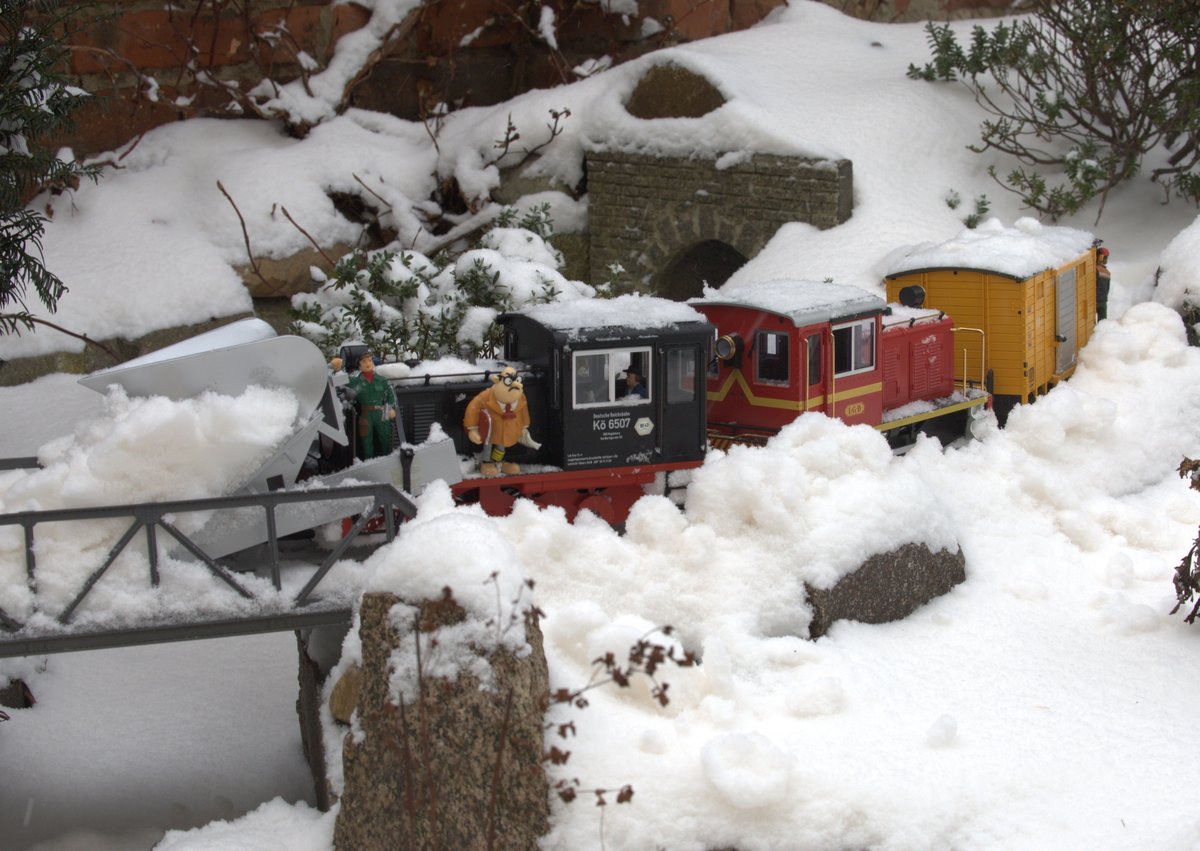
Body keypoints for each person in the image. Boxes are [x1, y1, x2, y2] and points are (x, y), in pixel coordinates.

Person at [464, 365, 541, 476]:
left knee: (501, 447)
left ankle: (498, 463)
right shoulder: (486, 396)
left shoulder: (521, 398)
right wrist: (472, 429)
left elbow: (523, 412)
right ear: (498, 381)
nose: (515, 384)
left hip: (506, 430)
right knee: (488, 446)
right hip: (490, 429)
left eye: (517, 380)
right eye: (509, 381)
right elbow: (473, 408)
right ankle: (486, 463)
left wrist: (523, 427)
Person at [347, 351, 397, 459]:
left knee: (385, 437)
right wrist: (336, 369)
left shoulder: (381, 380)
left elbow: (390, 395)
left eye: (369, 360)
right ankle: (368, 461)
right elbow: (345, 389)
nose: (367, 363)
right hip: (366, 414)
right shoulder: (357, 382)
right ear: (359, 365)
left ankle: (387, 459)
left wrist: (390, 408)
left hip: (381, 413)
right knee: (366, 440)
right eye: (364, 362)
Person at [1096, 245, 1111, 321]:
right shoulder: (1107, 272)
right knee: (1103, 321)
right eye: (1105, 257)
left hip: (1096, 300)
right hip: (1103, 300)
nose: (1106, 260)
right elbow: (1108, 288)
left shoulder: (1095, 269)